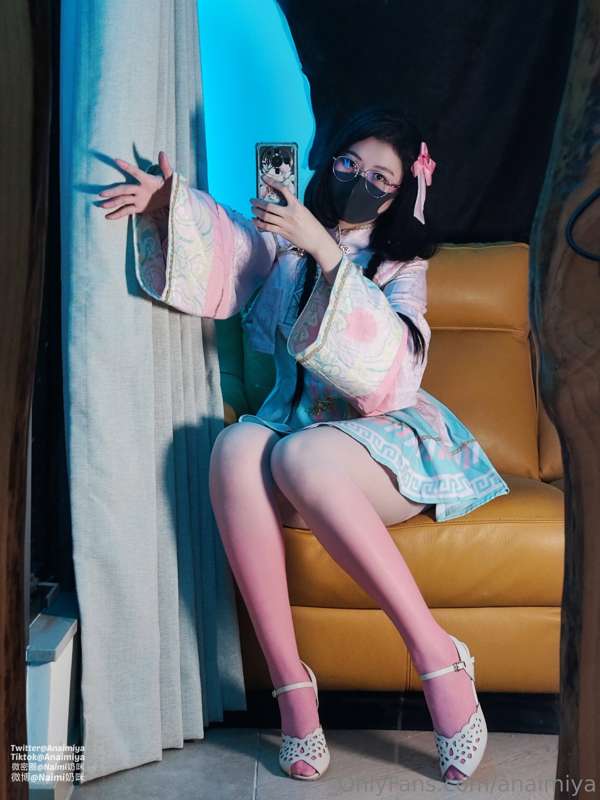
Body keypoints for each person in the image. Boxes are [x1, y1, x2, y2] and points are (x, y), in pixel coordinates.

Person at [99, 105, 509, 784]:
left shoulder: (402, 264)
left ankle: (439, 658)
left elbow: (393, 375)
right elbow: (231, 249)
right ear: (327, 161)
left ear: (400, 191)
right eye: (349, 163)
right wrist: (169, 205)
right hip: (290, 425)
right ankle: (292, 688)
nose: (360, 181)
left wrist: (326, 249)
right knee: (235, 448)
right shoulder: (283, 239)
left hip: (378, 443)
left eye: (381, 176)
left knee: (301, 455)